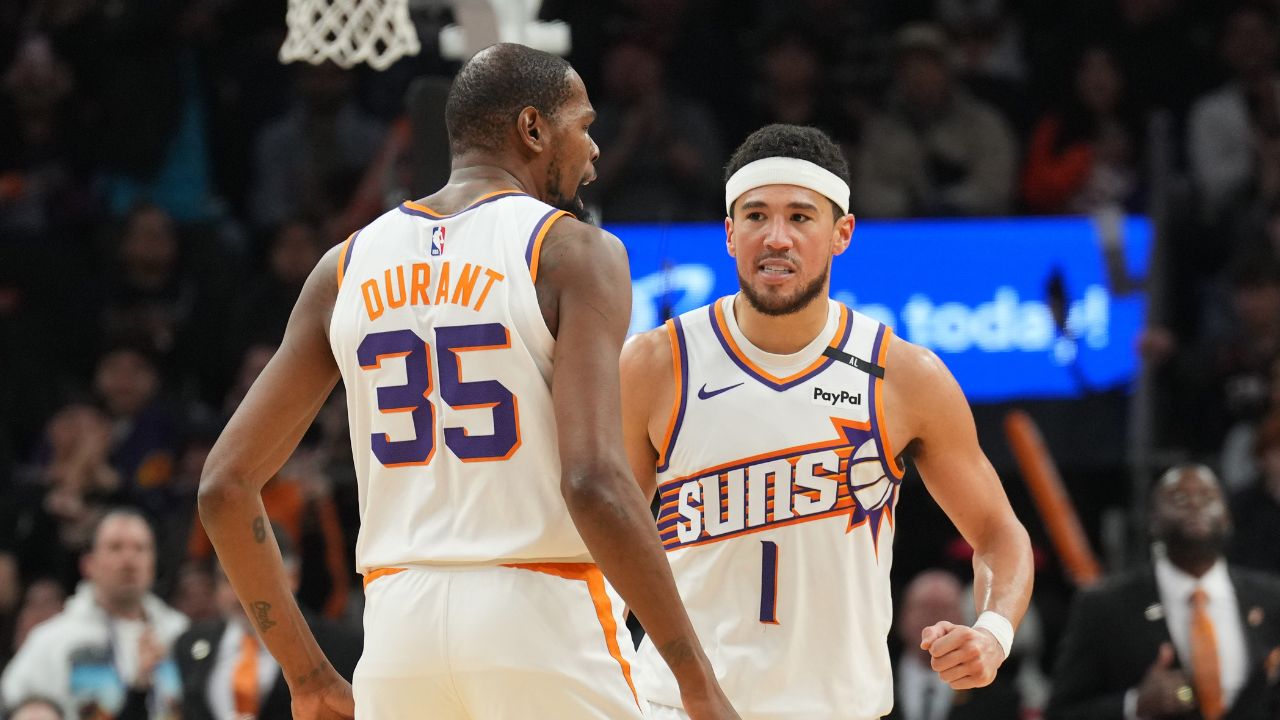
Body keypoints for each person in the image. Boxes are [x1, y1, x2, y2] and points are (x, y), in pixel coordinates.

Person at [197, 42, 737, 720]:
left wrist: (307, 676)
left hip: (398, 630)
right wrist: (694, 679)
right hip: (540, 610)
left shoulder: (343, 266)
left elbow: (223, 487)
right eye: (584, 125)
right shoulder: (572, 251)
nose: (595, 150)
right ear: (533, 128)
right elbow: (593, 482)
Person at [620, 123, 1034, 719]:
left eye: (800, 217)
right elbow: (600, 544)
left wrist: (993, 632)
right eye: (756, 216)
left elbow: (999, 534)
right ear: (729, 233)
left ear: (842, 233)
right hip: (678, 707)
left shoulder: (903, 375)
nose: (776, 237)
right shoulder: (655, 364)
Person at [1046, 464, 1280, 720]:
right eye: (1179, 498)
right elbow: (1061, 713)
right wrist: (1134, 705)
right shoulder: (1104, 606)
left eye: (1207, 498)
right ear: (1153, 521)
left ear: (1226, 517)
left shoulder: (1272, 599)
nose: (1195, 505)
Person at [0, 508, 188, 719]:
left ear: (153, 562)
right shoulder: (54, 640)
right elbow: (11, 703)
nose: (129, 560)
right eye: (115, 548)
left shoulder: (180, 633)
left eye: (140, 548)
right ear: (88, 564)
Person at [173, 526, 360, 720]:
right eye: (228, 579)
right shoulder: (188, 644)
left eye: (253, 579)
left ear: (293, 577)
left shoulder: (345, 648)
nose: (239, 594)